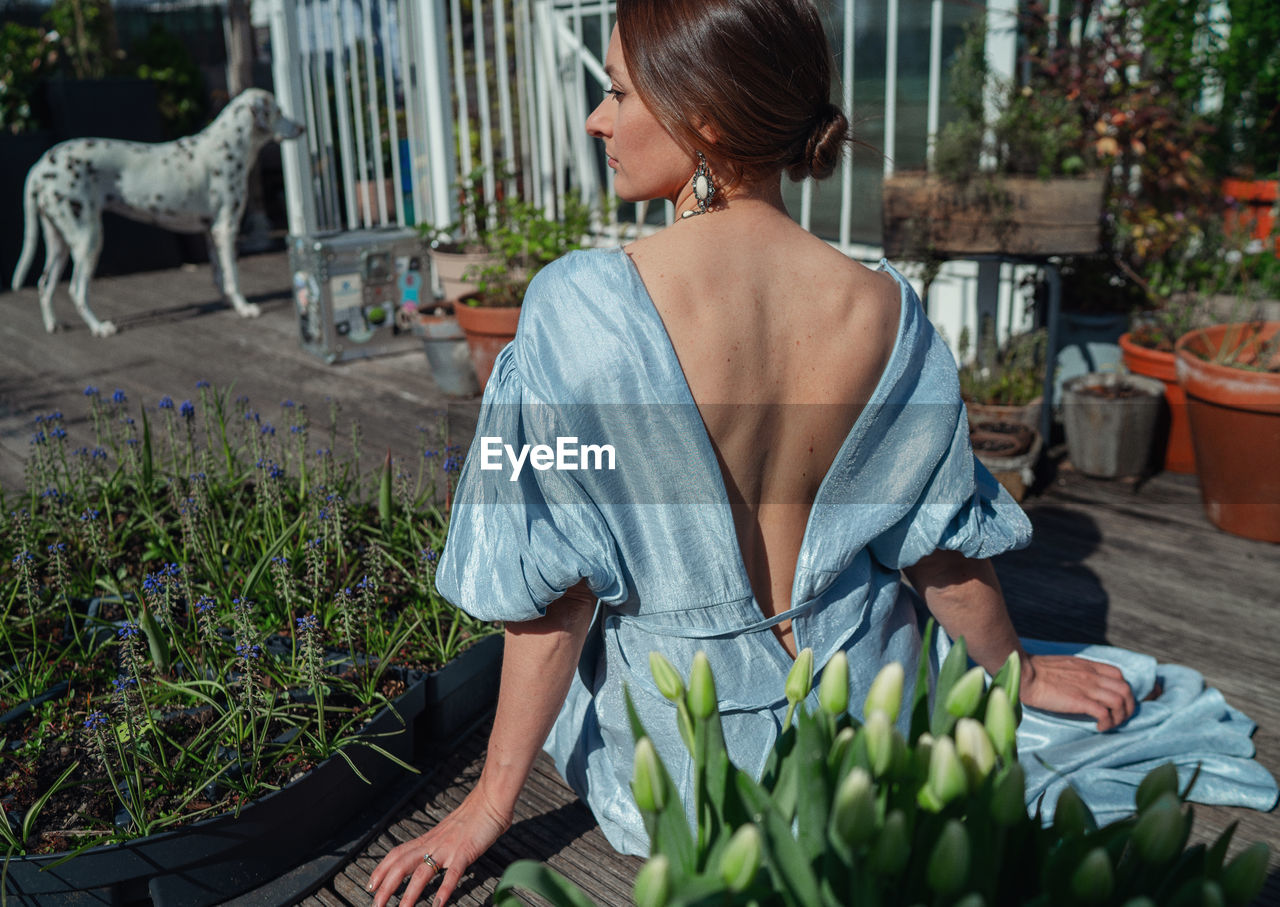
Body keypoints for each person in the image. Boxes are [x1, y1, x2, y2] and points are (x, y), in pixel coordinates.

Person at [369, 2, 1277, 904]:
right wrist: (1021, 674)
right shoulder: (885, 307)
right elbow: (941, 544)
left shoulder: (580, 308)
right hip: (866, 738)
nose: (598, 118)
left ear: (707, 117)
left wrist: (487, 807)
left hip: (687, 779)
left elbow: (554, 590)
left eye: (616, 92)